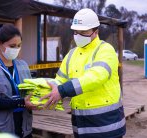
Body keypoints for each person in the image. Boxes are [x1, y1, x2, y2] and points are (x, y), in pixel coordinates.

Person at [41, 8, 126, 138]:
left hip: (106, 127)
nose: (78, 35)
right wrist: (41, 91)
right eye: (76, 32)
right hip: (80, 126)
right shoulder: (71, 55)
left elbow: (97, 76)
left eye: (83, 32)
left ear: (95, 32)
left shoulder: (105, 50)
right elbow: (59, 81)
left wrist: (63, 90)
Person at [0, 23, 39, 138]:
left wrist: (38, 100)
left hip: (24, 127)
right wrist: (21, 102)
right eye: (12, 46)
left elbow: (30, 92)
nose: (16, 49)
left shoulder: (23, 65)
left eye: (19, 45)